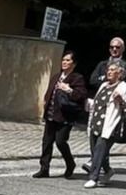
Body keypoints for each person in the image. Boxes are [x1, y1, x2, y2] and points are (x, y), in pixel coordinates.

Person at [35, 50, 87, 178]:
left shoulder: (77, 78)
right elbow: (49, 93)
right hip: (51, 114)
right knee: (47, 142)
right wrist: (45, 103)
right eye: (63, 60)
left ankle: (70, 163)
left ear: (74, 64)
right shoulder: (56, 76)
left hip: (65, 116)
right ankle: (44, 168)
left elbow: (81, 96)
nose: (64, 62)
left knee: (60, 142)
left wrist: (68, 89)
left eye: (68, 60)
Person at [83, 62, 126, 188]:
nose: (109, 72)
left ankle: (93, 177)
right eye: (108, 70)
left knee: (100, 150)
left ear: (120, 73)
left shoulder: (124, 88)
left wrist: (121, 101)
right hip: (96, 123)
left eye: (112, 70)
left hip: (110, 126)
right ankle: (108, 171)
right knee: (96, 151)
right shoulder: (104, 85)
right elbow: (97, 102)